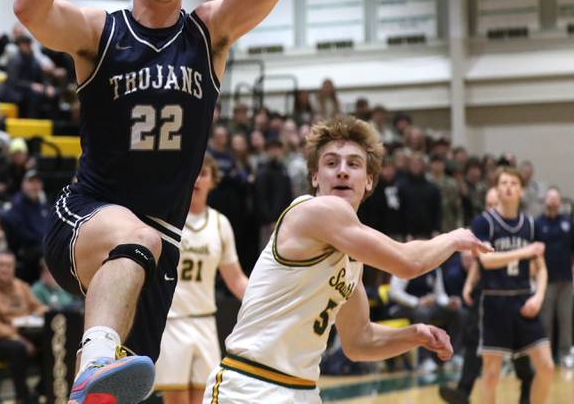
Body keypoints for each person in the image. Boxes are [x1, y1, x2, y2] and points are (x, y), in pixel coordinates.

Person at [15, 0, 295, 403]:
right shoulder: (101, 32)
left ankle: (92, 376)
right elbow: (30, 11)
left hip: (161, 247)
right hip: (87, 217)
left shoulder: (208, 31)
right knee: (132, 239)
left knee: (116, 396)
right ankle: (94, 355)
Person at [202, 116, 491, 402]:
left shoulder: (353, 258)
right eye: (331, 163)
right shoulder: (316, 211)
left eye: (353, 164)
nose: (342, 171)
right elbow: (407, 263)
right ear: (315, 176)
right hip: (249, 387)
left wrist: (414, 335)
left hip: (301, 390)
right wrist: (453, 238)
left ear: (369, 181)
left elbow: (359, 340)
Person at [155, 154, 247, 404]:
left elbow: (235, 278)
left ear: (212, 181)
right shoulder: (167, 219)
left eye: (203, 174)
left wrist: (264, 302)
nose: (197, 179)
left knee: (205, 399)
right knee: (176, 400)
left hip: (205, 321)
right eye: (193, 173)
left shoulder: (220, 224)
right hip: (172, 322)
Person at [471, 167, 554, 404]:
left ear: (521, 190)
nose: (508, 187)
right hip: (495, 302)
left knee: (547, 367)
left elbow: (542, 270)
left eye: (514, 183)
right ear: (497, 189)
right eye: (504, 183)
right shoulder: (483, 222)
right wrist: (524, 251)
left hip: (523, 300)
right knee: (491, 375)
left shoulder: (530, 225)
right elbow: (486, 260)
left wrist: (538, 297)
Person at [0, 250, 46, 404]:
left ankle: (43, 390)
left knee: (52, 340)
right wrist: (18, 337)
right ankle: (22, 397)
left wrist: (38, 315)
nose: (5, 269)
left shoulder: (20, 285)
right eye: (1, 265)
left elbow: (38, 307)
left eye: (9, 266)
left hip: (23, 334)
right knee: (17, 348)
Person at [535, 187, 574, 368]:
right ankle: (546, 356)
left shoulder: (568, 223)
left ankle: (565, 354)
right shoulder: (537, 224)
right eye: (550, 198)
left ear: (560, 202)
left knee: (566, 319)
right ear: (545, 201)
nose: (553, 201)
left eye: (556, 198)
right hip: (545, 282)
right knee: (545, 320)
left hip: (566, 280)